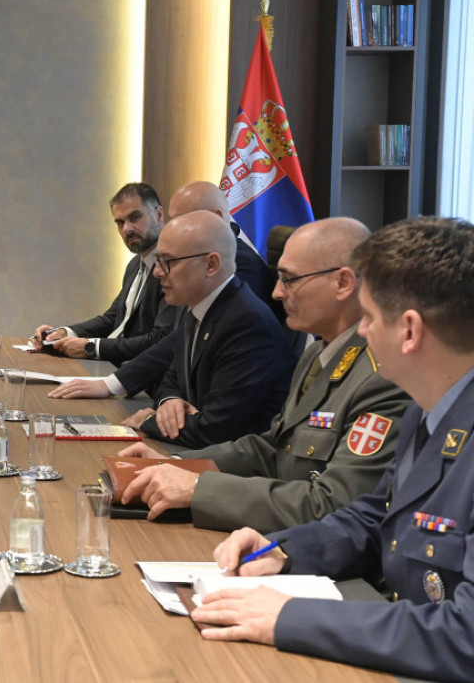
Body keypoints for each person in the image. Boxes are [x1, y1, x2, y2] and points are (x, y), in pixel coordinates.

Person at [193, 217, 474, 682]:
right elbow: (374, 516)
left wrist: (290, 618)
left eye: (369, 318)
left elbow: (465, 635)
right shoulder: (428, 410)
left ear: (409, 331)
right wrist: (285, 551)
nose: (361, 333)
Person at [117, 217, 411, 531]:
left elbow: (334, 505)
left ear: (343, 283)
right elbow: (271, 448)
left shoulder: (384, 377)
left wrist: (198, 489)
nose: (276, 292)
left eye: (289, 279)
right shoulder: (317, 354)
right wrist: (174, 465)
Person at [52, 210, 295, 449]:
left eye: (168, 262)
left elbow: (216, 430)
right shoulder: (198, 306)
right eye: (158, 261)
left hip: (229, 465)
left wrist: (149, 420)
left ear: (211, 264)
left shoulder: (246, 324)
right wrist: (170, 401)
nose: (158, 272)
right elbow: (171, 377)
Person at [31, 183, 176, 365]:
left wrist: (91, 347)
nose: (127, 229)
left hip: (143, 375)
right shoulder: (134, 265)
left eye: (135, 217)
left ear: (159, 215)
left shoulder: (174, 267)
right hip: (112, 366)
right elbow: (112, 318)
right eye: (120, 223)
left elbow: (159, 339)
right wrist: (64, 333)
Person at [167, 180, 282, 323]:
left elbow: (222, 326)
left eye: (181, 222)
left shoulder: (241, 263)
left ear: (217, 217)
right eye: (171, 222)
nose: (171, 231)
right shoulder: (193, 258)